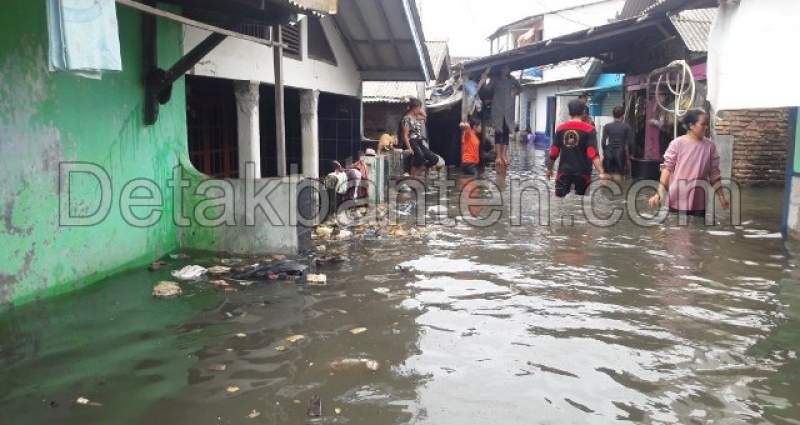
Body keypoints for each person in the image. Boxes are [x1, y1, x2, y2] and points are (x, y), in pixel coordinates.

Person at [648, 109, 730, 216]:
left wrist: (721, 197)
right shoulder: (677, 144)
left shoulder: (710, 146)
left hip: (699, 200)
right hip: (677, 198)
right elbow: (667, 169)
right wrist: (659, 194)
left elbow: (714, 174)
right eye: (703, 124)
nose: (706, 127)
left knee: (697, 231)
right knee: (675, 230)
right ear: (691, 125)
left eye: (707, 124)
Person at [546, 99, 608, 197]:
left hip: (564, 172)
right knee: (581, 205)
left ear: (569, 112)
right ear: (584, 112)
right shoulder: (589, 129)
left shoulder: (560, 129)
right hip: (583, 174)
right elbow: (592, 154)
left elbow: (554, 152)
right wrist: (601, 172)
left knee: (560, 204)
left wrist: (549, 169)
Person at [487, 65, 521, 167]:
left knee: (506, 133)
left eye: (507, 68)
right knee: (498, 132)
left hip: (508, 111)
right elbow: (487, 89)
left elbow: (520, 88)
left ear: (509, 70)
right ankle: (498, 156)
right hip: (497, 110)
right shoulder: (495, 79)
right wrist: (485, 78)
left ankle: (504, 156)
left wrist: (515, 91)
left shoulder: (512, 80)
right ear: (500, 69)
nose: (505, 70)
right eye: (503, 68)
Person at [400, 97, 439, 177]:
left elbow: (425, 117)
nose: (420, 110)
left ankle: (420, 170)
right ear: (414, 108)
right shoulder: (406, 119)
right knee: (420, 157)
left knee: (434, 159)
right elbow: (405, 135)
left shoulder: (416, 117)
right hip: (411, 141)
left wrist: (420, 110)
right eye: (419, 108)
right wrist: (409, 148)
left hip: (419, 142)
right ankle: (412, 176)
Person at [601, 105, 633, 184]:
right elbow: (630, 143)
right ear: (623, 115)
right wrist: (630, 155)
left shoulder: (607, 126)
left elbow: (603, 142)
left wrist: (605, 151)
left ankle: (605, 195)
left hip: (609, 153)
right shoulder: (626, 127)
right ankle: (618, 196)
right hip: (620, 154)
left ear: (613, 115)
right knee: (618, 178)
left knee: (606, 176)